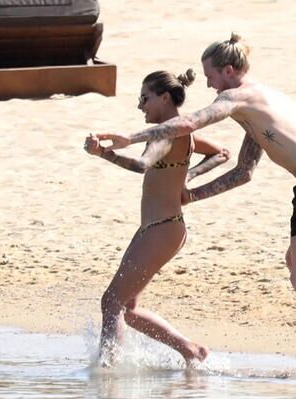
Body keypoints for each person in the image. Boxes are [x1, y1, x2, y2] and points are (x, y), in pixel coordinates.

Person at [94, 33, 296, 376]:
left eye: (211, 76)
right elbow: (243, 172)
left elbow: (188, 123)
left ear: (229, 71)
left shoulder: (237, 96)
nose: (209, 85)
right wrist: (193, 193)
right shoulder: (259, 105)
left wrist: (128, 139)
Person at [84, 68, 230, 367]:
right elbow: (221, 153)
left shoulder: (165, 134)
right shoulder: (182, 132)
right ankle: (191, 350)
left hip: (162, 230)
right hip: (159, 228)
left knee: (111, 302)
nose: (140, 106)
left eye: (144, 98)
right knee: (128, 308)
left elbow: (142, 165)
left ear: (164, 98)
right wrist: (188, 177)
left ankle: (107, 372)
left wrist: (103, 154)